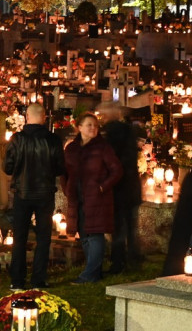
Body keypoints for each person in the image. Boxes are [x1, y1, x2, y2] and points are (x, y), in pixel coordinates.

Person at [3, 103, 65, 290]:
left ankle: (17, 280)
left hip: (22, 192)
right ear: (44, 117)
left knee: (20, 237)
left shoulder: (17, 139)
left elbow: (8, 167)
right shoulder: (53, 140)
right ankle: (38, 279)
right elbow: (60, 168)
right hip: (45, 193)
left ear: (27, 117)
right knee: (43, 237)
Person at [64, 111, 123, 284]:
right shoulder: (72, 148)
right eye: (89, 125)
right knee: (83, 233)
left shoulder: (102, 147)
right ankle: (94, 271)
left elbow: (117, 170)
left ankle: (89, 274)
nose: (93, 128)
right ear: (79, 127)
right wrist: (67, 189)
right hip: (78, 197)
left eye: (95, 126)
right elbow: (65, 171)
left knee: (95, 234)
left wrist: (102, 187)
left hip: (97, 198)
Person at [100, 103, 143, 274]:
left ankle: (118, 261)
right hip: (131, 185)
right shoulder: (129, 130)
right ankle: (134, 257)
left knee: (118, 226)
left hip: (119, 187)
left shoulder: (110, 132)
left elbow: (111, 160)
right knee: (131, 226)